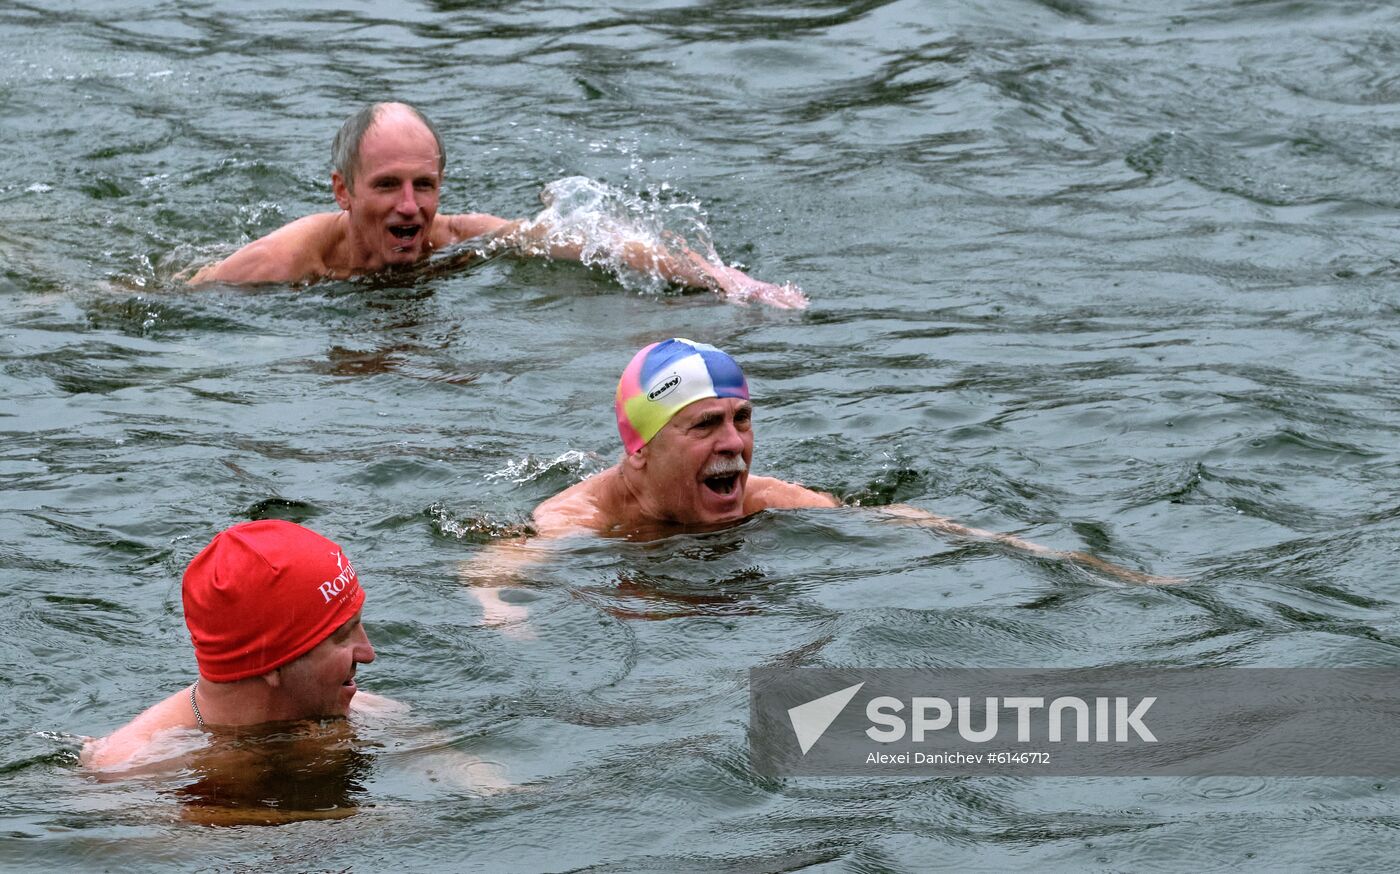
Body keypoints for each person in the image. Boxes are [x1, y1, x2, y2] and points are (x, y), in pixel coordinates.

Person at [469, 338, 1176, 624]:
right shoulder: (581, 521)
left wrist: (1068, 560)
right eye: (706, 425)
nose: (734, 444)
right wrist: (509, 619)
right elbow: (494, 568)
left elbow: (910, 522)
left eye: (742, 419)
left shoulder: (764, 500)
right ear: (641, 450)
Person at [189, 102, 805, 307]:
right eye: (386, 186)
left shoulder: (458, 240)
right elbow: (167, 308)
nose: (410, 207)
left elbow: (587, 239)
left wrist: (728, 282)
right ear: (343, 191)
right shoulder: (281, 265)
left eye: (423, 185)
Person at [81, 520, 380, 770]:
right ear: (270, 663)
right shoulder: (130, 769)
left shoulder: (367, 715)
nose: (368, 653)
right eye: (342, 635)